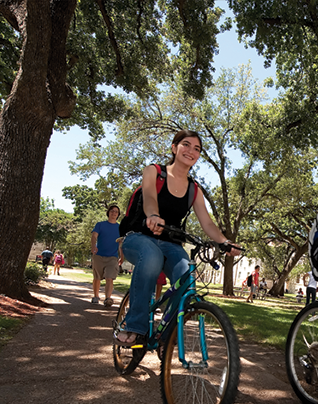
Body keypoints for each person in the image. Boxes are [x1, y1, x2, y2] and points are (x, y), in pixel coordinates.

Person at [115, 130, 240, 345]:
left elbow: (207, 223)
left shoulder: (194, 189)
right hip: (138, 237)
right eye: (186, 144)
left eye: (197, 148)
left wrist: (224, 242)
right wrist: (153, 216)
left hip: (170, 243)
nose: (191, 151)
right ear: (174, 148)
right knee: (152, 257)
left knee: (186, 277)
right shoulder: (153, 171)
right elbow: (150, 198)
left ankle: (167, 335)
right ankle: (134, 325)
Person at [91, 204, 122, 307]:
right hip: (99, 255)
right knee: (97, 277)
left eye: (116, 212)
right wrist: (93, 246)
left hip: (112, 257)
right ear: (108, 212)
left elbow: (120, 244)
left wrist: (121, 256)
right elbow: (94, 236)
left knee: (109, 277)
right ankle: (96, 296)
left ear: (118, 215)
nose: (114, 213)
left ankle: (108, 298)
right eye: (112, 211)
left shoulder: (119, 228)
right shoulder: (100, 225)